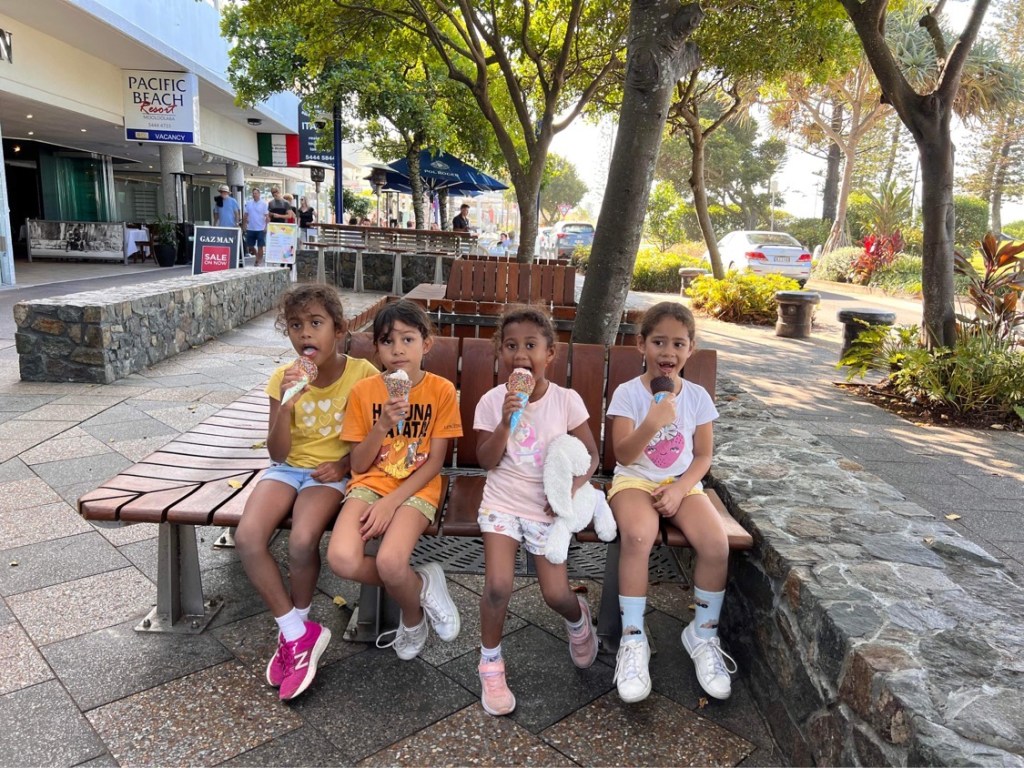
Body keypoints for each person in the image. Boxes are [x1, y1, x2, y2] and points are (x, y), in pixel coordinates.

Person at [234, 284, 379, 701]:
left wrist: (344, 465)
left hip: (328, 474)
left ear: (339, 329)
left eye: (316, 323)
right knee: (248, 537)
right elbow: (277, 452)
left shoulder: (363, 375)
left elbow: (375, 440)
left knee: (301, 541)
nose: (305, 334)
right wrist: (286, 406)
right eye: (296, 326)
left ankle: (297, 635)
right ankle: (297, 633)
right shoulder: (282, 379)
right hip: (286, 469)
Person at [472, 306, 600, 716]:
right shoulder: (492, 401)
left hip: (546, 506)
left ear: (550, 354)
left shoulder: (566, 400)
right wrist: (506, 422)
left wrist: (568, 489)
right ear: (500, 353)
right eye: (511, 346)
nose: (521, 354)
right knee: (497, 586)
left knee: (555, 594)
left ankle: (578, 619)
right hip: (502, 501)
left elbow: (591, 457)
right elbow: (486, 460)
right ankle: (490, 663)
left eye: (531, 345)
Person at [606, 301, 735, 703]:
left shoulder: (696, 397)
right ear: (641, 345)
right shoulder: (628, 393)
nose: (668, 352)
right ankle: (633, 638)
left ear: (690, 349)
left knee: (716, 544)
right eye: (659, 342)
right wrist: (652, 421)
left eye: (678, 344)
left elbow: (703, 456)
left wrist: (680, 489)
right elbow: (623, 454)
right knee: (638, 536)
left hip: (682, 484)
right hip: (634, 480)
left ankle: (703, 634)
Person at [327, 300, 463, 661]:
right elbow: (358, 464)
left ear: (426, 344)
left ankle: (411, 618)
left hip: (418, 486)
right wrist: (382, 424)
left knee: (390, 562)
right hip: (369, 484)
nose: (398, 349)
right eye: (387, 341)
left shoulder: (441, 391)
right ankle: (421, 584)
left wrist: (390, 503)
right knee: (341, 559)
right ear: (377, 348)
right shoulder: (364, 392)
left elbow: (435, 463)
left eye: (407, 339)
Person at [243, 188, 269, 266]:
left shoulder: (264, 204)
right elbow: (245, 215)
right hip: (251, 228)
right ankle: (257, 255)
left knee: (260, 246)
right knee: (250, 245)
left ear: (259, 194)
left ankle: (258, 261)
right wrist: (244, 225)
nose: (254, 195)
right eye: (253, 193)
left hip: (261, 228)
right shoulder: (249, 203)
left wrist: (266, 227)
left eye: (256, 193)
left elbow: (267, 216)